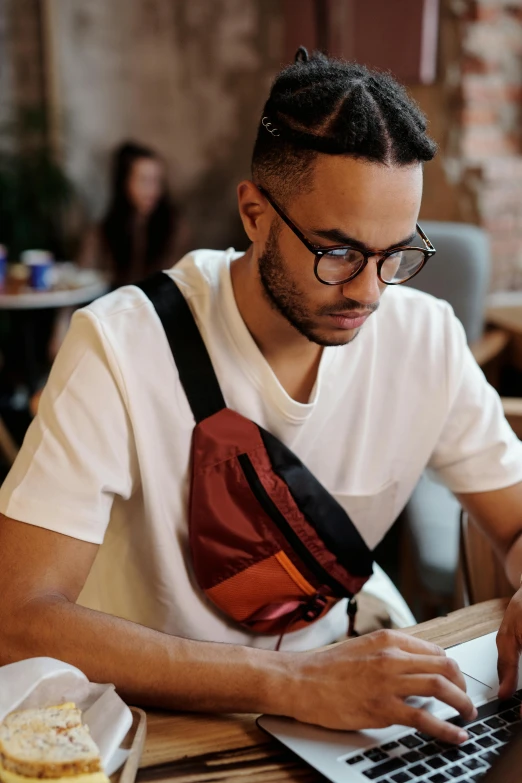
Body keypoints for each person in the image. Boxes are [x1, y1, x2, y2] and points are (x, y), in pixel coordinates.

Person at [1, 49, 522, 745]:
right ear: (254, 213)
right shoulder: (121, 343)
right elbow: (19, 616)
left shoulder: (425, 336)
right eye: (336, 252)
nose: (370, 292)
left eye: (396, 253)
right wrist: (293, 683)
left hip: (347, 712)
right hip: (160, 727)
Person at [78, 141, 187, 287]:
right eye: (144, 181)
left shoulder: (175, 230)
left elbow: (178, 283)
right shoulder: (102, 232)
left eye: (157, 181)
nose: (152, 190)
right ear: (124, 183)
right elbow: (82, 277)